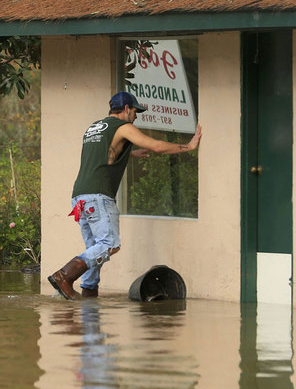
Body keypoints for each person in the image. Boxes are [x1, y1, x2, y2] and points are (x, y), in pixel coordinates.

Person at [48, 91, 202, 300]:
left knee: (95, 249)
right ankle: (64, 276)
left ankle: (89, 291)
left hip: (80, 197)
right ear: (127, 109)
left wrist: (129, 153)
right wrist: (189, 146)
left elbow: (104, 154)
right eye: (135, 111)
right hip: (98, 195)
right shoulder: (123, 127)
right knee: (109, 245)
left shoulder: (94, 127)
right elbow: (156, 146)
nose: (136, 116)